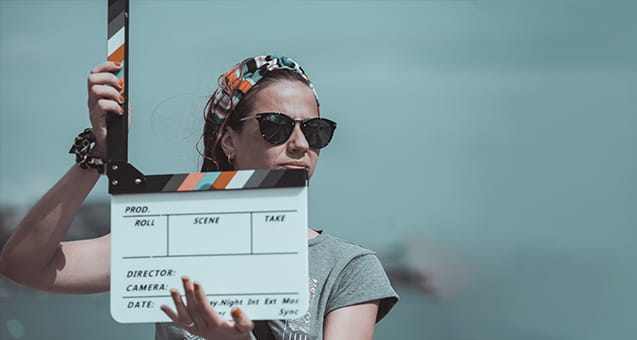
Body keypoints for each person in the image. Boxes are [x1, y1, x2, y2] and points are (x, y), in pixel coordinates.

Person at [0, 55, 398, 340]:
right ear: (229, 139)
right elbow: (25, 264)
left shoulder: (348, 268)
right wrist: (98, 156)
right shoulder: (171, 236)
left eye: (314, 131)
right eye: (275, 126)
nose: (299, 144)